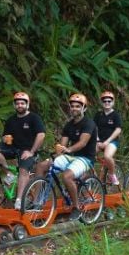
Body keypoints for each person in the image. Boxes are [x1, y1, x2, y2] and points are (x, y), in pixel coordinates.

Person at [34, 93, 98, 221]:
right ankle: (37, 202)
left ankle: (76, 208)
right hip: (70, 157)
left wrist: (68, 149)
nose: (74, 108)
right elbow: (62, 144)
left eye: (78, 106)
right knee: (42, 166)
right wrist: (57, 153)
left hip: (85, 159)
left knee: (67, 176)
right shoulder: (69, 125)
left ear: (84, 108)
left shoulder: (89, 123)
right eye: (72, 106)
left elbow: (83, 143)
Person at [0, 91, 45, 209]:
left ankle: (19, 200)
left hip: (28, 151)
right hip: (13, 148)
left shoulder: (34, 118)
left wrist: (31, 151)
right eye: (17, 103)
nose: (20, 105)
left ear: (27, 104)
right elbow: (6, 136)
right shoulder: (11, 120)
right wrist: (5, 139)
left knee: (23, 170)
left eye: (22, 103)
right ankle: (8, 173)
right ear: (14, 105)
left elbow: (41, 135)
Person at [93, 90, 123, 187]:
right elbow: (94, 127)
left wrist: (107, 142)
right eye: (105, 101)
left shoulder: (116, 115)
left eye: (109, 101)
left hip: (111, 141)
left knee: (107, 156)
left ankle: (111, 174)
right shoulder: (98, 115)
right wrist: (97, 140)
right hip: (99, 141)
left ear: (113, 102)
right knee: (88, 155)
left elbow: (118, 130)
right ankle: (90, 176)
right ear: (102, 103)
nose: (107, 103)